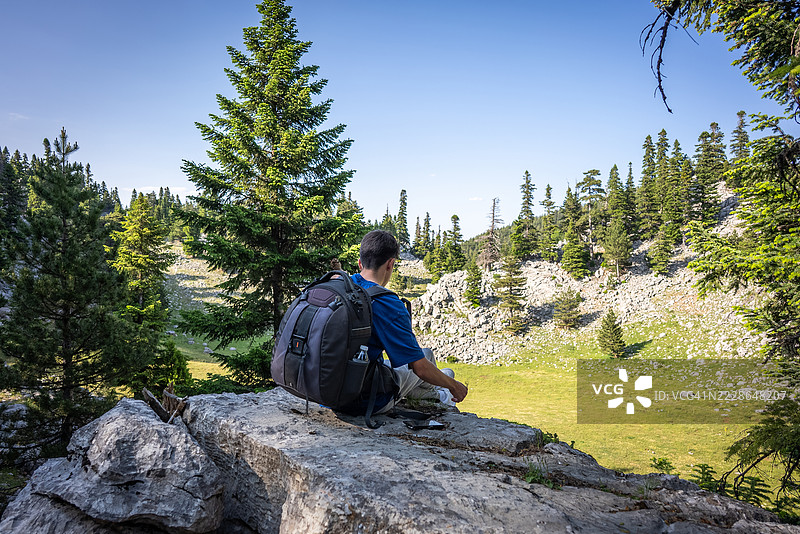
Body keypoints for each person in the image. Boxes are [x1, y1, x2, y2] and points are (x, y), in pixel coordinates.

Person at [351, 230, 468, 414]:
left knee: (422, 368)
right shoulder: (387, 303)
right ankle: (444, 395)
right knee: (427, 356)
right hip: (365, 401)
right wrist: (455, 386)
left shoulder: (342, 285)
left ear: (360, 263)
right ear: (390, 264)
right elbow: (420, 368)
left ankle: (438, 391)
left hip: (328, 390)